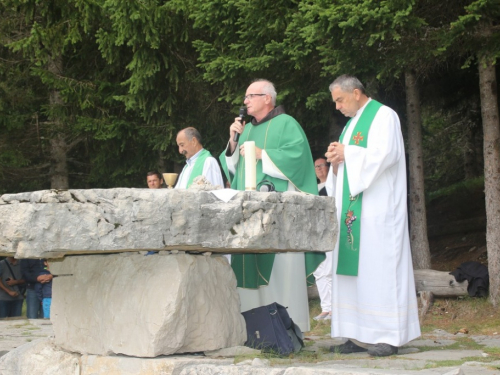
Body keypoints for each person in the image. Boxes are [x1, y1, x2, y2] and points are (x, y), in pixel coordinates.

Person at [325, 75, 420, 356]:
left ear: (356, 93)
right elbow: (344, 170)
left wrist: (348, 153)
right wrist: (335, 160)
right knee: (355, 274)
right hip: (354, 214)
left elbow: (386, 155)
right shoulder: (351, 125)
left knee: (379, 271)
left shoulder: (383, 116)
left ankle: (388, 335)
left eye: (340, 100)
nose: (338, 107)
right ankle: (357, 334)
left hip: (378, 211)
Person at [219, 78, 324, 331]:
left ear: (267, 98)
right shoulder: (247, 129)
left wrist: (262, 154)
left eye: (250, 96)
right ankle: (254, 329)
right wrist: (233, 143)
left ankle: (289, 329)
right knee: (249, 266)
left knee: (282, 272)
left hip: (280, 215)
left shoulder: (287, 123)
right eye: (245, 97)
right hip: (249, 212)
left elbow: (298, 159)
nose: (245, 102)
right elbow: (233, 168)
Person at [312, 158, 333, 321]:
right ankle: (325, 308)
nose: (319, 169)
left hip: (331, 231)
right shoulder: (312, 188)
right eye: (316, 167)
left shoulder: (334, 185)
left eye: (322, 165)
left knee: (330, 269)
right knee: (319, 270)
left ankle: (333, 307)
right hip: (316, 232)